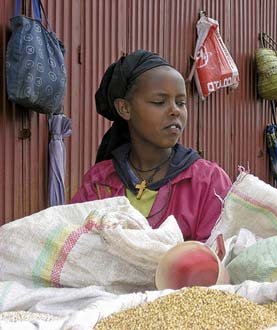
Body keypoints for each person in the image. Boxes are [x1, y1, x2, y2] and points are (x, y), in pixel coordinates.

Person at [71, 50, 232, 242]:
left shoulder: (208, 182)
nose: (175, 111)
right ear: (125, 108)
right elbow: (76, 248)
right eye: (159, 102)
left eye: (181, 103)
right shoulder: (99, 182)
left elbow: (216, 259)